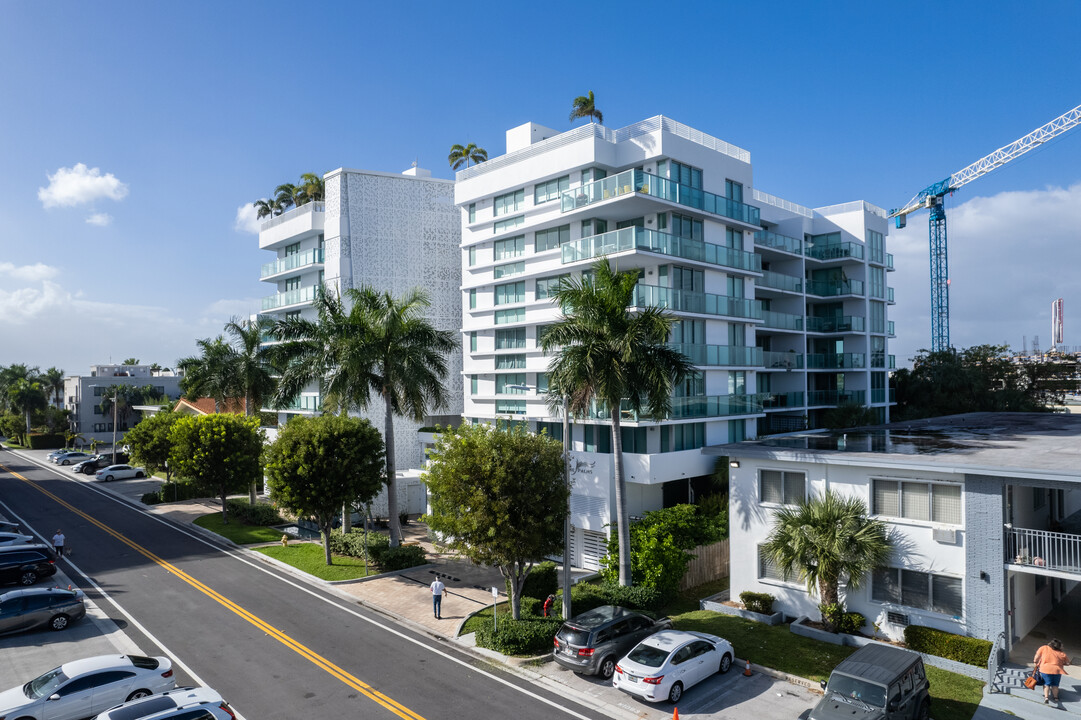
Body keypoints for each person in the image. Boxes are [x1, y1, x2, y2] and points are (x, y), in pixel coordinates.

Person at [1034, 638, 1070, 705]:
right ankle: (1056, 698)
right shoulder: (1062, 654)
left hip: (1045, 669)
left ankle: (1046, 698)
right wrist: (1061, 663)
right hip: (1057, 670)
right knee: (1055, 685)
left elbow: (1037, 657)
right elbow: (1068, 663)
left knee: (1046, 684)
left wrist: (1035, 662)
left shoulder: (1044, 648)